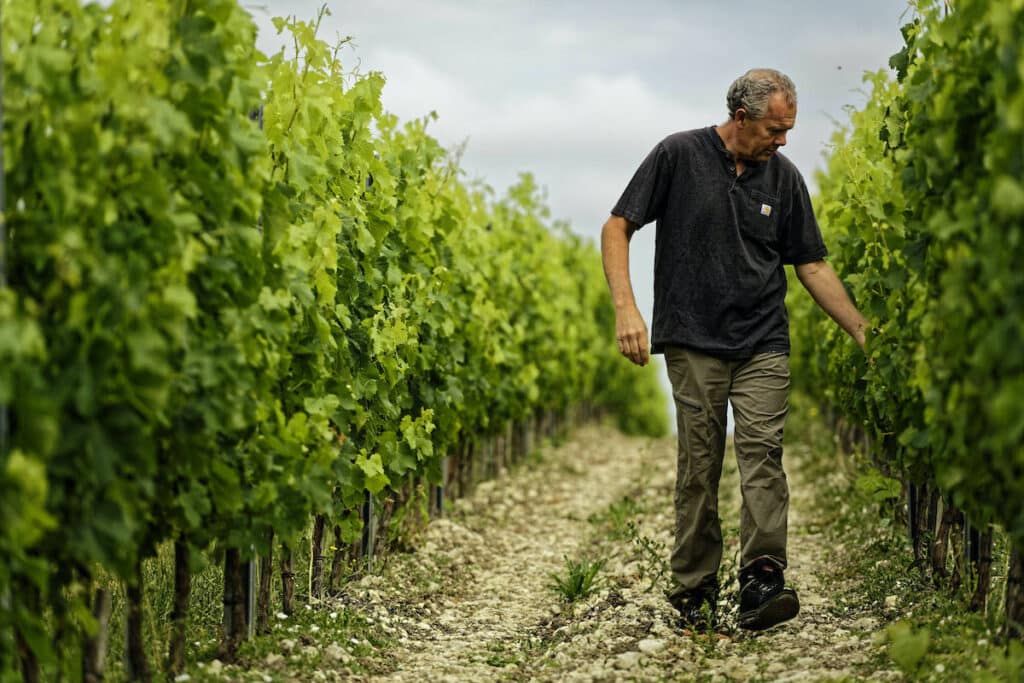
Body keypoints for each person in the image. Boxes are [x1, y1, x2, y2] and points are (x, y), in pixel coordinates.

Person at [601, 68, 870, 632]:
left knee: (762, 455)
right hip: (692, 337)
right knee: (699, 464)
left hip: (763, 342)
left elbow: (812, 266)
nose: (783, 140)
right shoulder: (678, 155)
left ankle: (762, 579)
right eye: (775, 128)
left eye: (789, 128)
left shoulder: (785, 179)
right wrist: (627, 308)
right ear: (742, 118)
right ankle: (695, 589)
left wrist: (863, 331)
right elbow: (617, 227)